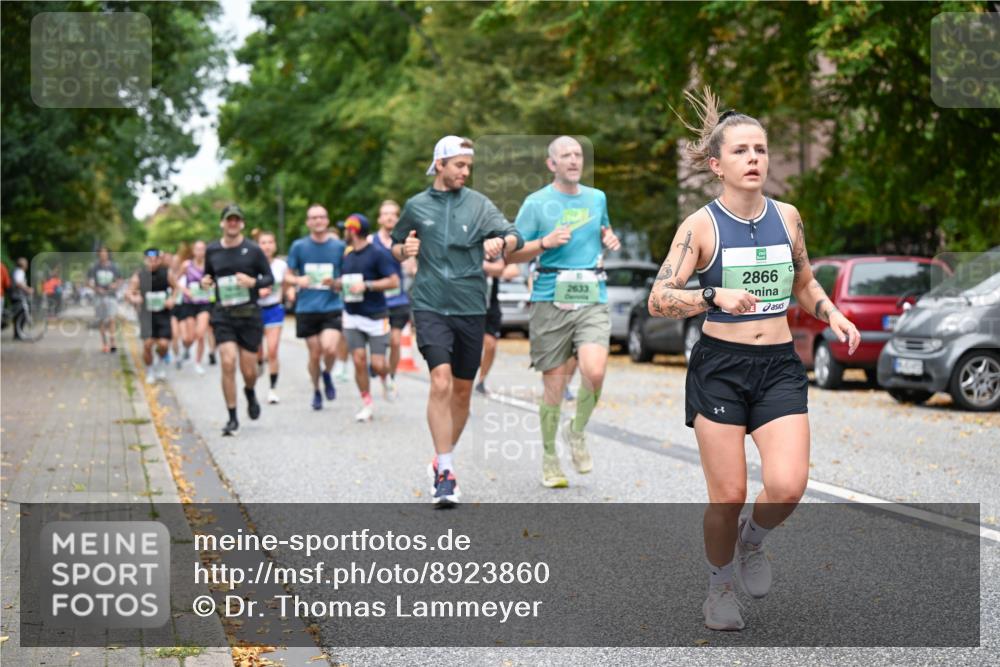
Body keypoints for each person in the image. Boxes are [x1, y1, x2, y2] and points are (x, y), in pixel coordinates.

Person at [648, 89, 861, 631]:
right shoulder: (700, 226)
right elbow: (658, 298)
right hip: (720, 367)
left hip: (778, 366)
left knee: (788, 486)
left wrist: (832, 313)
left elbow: (804, 281)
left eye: (760, 149)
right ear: (717, 165)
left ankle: (751, 541)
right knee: (729, 494)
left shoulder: (787, 217)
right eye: (740, 150)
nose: (753, 159)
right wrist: (711, 295)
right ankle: (719, 589)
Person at [391, 135, 524, 507]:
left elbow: (514, 234)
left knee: (463, 391)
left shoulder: (478, 204)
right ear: (440, 164)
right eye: (459, 165)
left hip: (470, 307)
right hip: (430, 304)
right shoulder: (416, 205)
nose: (466, 171)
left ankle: (441, 456)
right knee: (440, 379)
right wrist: (404, 249)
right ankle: (446, 471)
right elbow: (396, 244)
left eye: (469, 166)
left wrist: (502, 243)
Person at [507, 135, 621, 488]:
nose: (573, 160)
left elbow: (602, 229)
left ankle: (577, 430)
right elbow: (511, 254)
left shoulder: (597, 197)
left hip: (591, 294)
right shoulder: (535, 203)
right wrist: (544, 243)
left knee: (595, 371)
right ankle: (549, 458)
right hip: (549, 297)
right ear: (551, 163)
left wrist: (609, 238)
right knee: (554, 385)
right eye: (565, 155)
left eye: (577, 154)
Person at [201, 204, 275, 436]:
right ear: (222, 223)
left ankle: (250, 391)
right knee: (227, 362)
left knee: (249, 371)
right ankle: (232, 417)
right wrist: (205, 282)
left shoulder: (253, 250)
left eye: (236, 220)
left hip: (249, 316)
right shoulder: (212, 250)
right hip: (223, 315)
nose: (232, 223)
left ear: (241, 223)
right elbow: (208, 276)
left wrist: (253, 283)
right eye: (228, 220)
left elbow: (269, 278)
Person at [285, 204, 346, 411]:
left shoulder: (339, 247)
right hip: (307, 308)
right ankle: (316, 390)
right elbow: (287, 275)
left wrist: (336, 282)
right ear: (308, 222)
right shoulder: (299, 246)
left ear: (327, 220)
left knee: (330, 349)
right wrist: (298, 280)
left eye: (321, 217)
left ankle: (327, 374)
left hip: (332, 305)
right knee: (314, 354)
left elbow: (347, 275)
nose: (318, 220)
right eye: (313, 218)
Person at [340, 213, 400, 421]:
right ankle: (367, 403)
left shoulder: (377, 253)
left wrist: (367, 285)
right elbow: (347, 282)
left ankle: (386, 377)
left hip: (375, 316)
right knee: (358, 360)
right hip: (352, 315)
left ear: (354, 231)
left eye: (346, 229)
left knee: (377, 364)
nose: (344, 232)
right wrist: (335, 284)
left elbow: (394, 281)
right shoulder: (347, 255)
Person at [370, 199, 417, 399]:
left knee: (396, 342)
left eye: (393, 214)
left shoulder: (406, 241)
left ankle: (391, 377)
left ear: (398, 218)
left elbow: (413, 269)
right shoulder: (371, 241)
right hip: (376, 302)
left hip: (399, 300)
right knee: (379, 345)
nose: (389, 217)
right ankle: (378, 367)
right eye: (385, 214)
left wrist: (409, 261)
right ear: (379, 218)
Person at [126, 248, 178, 384]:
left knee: (163, 344)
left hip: (163, 314)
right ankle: (150, 370)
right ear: (145, 260)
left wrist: (172, 299)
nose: (152, 262)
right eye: (149, 260)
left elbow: (176, 288)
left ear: (160, 260)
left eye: (155, 260)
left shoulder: (167, 273)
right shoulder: (139, 275)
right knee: (148, 344)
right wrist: (134, 298)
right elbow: (129, 292)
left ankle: (160, 363)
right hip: (146, 315)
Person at [475, 258, 521, 395]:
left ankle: (481, 380)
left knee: (491, 345)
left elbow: (514, 270)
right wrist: (492, 269)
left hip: (491, 307)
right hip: (471, 306)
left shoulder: (496, 253)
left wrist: (493, 269)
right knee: (469, 345)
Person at [255, 230, 288, 404]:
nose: (267, 246)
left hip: (274, 309)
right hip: (255, 311)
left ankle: (272, 389)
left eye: (270, 242)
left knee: (273, 350)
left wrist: (289, 293)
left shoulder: (281, 265)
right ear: (258, 246)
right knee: (258, 352)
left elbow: (287, 283)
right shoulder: (251, 264)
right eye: (263, 242)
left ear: (275, 245)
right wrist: (257, 292)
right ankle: (259, 362)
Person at [178, 240, 213, 374]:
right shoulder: (187, 265)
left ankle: (197, 362)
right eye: (197, 249)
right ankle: (186, 348)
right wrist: (185, 291)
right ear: (193, 251)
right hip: (190, 304)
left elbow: (214, 280)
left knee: (200, 334)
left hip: (204, 303)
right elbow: (175, 280)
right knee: (189, 337)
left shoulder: (210, 265)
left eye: (202, 249)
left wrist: (211, 286)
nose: (200, 252)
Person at [87, 246, 123, 353]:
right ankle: (104, 344)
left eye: (105, 253)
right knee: (102, 320)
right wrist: (96, 288)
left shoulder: (114, 267)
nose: (103, 255)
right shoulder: (94, 267)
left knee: (112, 319)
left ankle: (113, 342)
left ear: (108, 254)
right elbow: (88, 282)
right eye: (101, 253)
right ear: (98, 254)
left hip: (111, 296)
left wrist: (115, 285)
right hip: (99, 296)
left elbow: (120, 280)